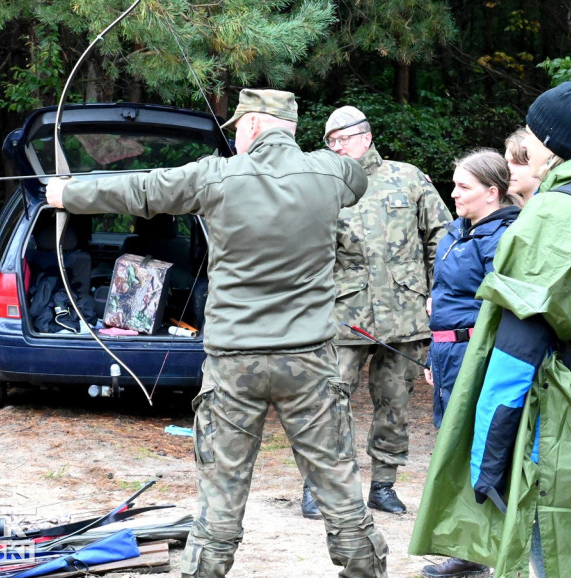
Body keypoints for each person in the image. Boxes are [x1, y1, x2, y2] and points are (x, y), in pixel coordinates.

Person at [46, 89, 388, 578]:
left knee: (222, 492)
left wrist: (67, 194)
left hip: (235, 363)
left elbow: (142, 190)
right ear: (291, 128)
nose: (235, 138)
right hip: (309, 361)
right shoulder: (330, 173)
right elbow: (357, 172)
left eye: (237, 129)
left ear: (250, 126)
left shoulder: (215, 175)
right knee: (337, 485)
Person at [410, 82, 571, 578]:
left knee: (554, 550)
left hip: (558, 420)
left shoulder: (554, 211)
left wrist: (487, 453)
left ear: (548, 142)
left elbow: (519, 341)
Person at [308, 105, 450, 519]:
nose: (337, 147)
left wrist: (437, 290)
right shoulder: (323, 186)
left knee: (395, 403)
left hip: (404, 314)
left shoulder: (408, 178)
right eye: (331, 142)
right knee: (328, 398)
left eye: (344, 139)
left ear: (366, 137)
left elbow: (441, 235)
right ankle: (318, 486)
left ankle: (383, 485)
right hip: (343, 313)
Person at [419, 148, 524, 578]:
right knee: (452, 446)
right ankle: (470, 549)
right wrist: (431, 353)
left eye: (464, 187)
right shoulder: (455, 231)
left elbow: (499, 308)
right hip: (445, 354)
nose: (454, 193)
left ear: (492, 193)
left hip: (476, 356)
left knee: (479, 451)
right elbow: (443, 299)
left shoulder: (502, 236)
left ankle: (486, 551)